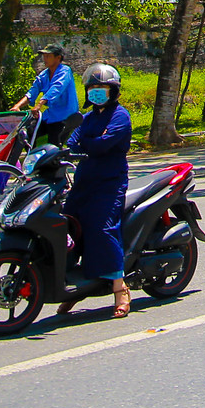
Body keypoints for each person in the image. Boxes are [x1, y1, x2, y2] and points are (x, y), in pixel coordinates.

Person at [58, 63, 131, 319]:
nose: (97, 92)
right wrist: (84, 144)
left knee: (101, 228)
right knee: (64, 228)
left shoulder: (120, 116)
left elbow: (102, 145)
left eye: (102, 88)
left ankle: (119, 288)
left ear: (113, 91)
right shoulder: (87, 118)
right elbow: (71, 142)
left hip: (109, 184)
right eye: (93, 88)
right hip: (84, 183)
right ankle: (72, 287)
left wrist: (86, 144)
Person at [12, 44, 80, 145]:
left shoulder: (65, 71)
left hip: (65, 117)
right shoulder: (44, 74)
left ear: (58, 57)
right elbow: (32, 92)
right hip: (50, 116)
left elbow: (56, 89)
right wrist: (17, 106)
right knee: (26, 132)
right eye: (44, 56)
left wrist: (39, 105)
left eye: (48, 56)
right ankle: (31, 157)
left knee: (53, 146)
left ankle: (54, 159)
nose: (45, 59)